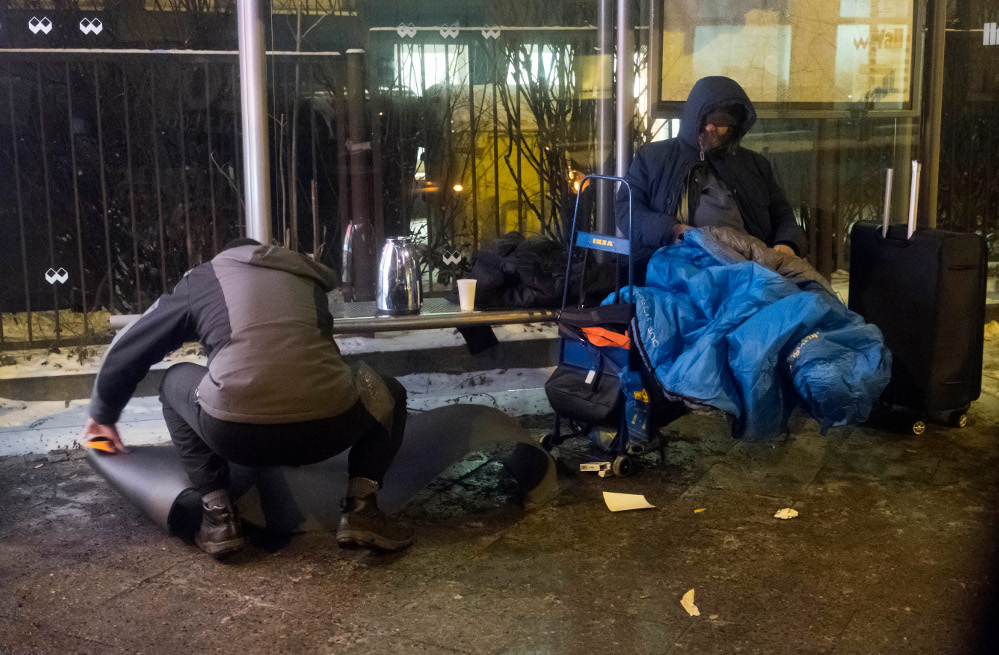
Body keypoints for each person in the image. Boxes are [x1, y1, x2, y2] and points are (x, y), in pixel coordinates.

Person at [82, 238, 414, 558]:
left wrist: (104, 414)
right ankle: (362, 507)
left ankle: (218, 516)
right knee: (390, 391)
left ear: (227, 255)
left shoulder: (205, 278)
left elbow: (135, 346)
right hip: (329, 429)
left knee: (173, 379)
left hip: (235, 433)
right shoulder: (304, 277)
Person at [617, 76, 807, 283]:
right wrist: (669, 229)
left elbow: (782, 213)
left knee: (811, 294)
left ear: (734, 125)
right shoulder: (654, 157)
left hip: (750, 265)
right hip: (680, 264)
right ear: (693, 118)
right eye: (705, 120)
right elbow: (626, 209)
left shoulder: (755, 165)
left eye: (721, 122)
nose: (710, 128)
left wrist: (787, 242)